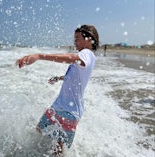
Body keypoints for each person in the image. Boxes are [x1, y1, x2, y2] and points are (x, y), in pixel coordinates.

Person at [15, 24, 99, 155]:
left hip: (67, 110)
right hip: (63, 107)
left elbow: (72, 58)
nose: (74, 42)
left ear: (89, 39)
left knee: (56, 146)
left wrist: (40, 56)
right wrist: (60, 78)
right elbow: (75, 76)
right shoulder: (86, 57)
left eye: (77, 39)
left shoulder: (86, 53)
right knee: (42, 132)